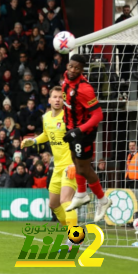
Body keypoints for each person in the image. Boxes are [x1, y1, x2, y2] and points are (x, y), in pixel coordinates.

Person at [60, 55, 111, 221]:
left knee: (83, 169)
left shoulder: (85, 89)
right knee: (75, 162)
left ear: (82, 70)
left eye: (77, 68)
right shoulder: (65, 80)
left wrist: (78, 131)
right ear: (67, 66)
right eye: (71, 66)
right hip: (71, 129)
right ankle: (81, 193)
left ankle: (103, 200)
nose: (73, 70)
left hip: (84, 133)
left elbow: (98, 115)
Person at [22, 86, 79, 231]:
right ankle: (71, 234)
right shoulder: (46, 117)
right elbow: (47, 135)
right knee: (53, 205)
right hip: (57, 166)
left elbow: (79, 140)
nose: (58, 99)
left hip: (70, 165)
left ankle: (76, 237)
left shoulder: (68, 117)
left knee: (66, 200)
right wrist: (34, 141)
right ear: (49, 100)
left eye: (60, 97)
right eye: (55, 97)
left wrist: (75, 164)